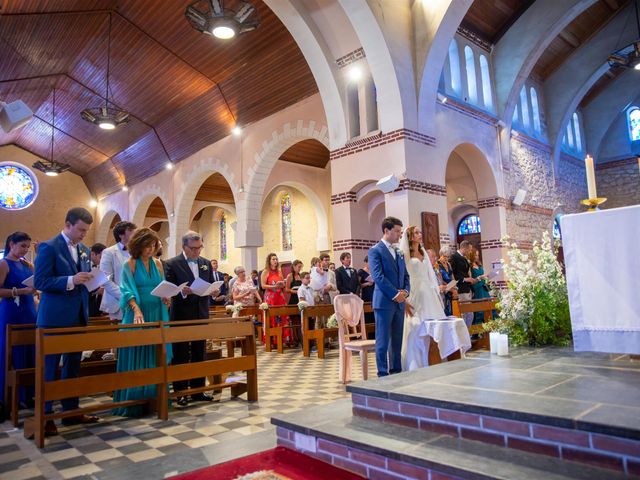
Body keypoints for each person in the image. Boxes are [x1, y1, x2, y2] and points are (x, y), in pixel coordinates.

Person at [34, 207, 98, 435]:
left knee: (73, 367)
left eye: (86, 231)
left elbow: (84, 279)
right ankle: (46, 416)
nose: (83, 234)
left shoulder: (84, 250)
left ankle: (71, 412)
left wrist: (93, 281)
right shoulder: (49, 248)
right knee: (49, 368)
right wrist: (71, 279)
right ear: (68, 224)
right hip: (54, 319)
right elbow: (40, 281)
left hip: (77, 315)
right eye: (80, 229)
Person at [113, 228, 172, 417]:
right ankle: (133, 401)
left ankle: (156, 397)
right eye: (147, 246)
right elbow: (126, 290)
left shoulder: (158, 264)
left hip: (157, 312)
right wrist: (136, 309)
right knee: (137, 352)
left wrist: (166, 297)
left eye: (153, 245)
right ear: (138, 245)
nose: (150, 249)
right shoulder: (129, 264)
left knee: (157, 354)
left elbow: (162, 286)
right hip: (138, 314)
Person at [164, 231, 218, 406]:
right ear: (184, 246)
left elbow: (209, 283)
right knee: (180, 354)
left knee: (199, 352)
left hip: (201, 313)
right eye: (193, 248)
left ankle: (198, 391)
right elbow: (169, 289)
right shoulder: (172, 264)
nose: (197, 252)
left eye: (199, 248)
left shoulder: (205, 263)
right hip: (181, 314)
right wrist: (182, 291)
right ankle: (180, 392)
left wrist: (213, 291)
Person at [368, 217, 411, 377]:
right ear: (387, 230)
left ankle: (396, 371)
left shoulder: (398, 252)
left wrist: (406, 292)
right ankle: (383, 374)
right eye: (397, 231)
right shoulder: (375, 251)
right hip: (384, 302)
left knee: (397, 339)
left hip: (399, 302)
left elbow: (406, 275)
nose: (400, 235)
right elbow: (378, 277)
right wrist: (395, 294)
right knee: (383, 340)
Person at [398, 227, 446, 371]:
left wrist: (436, 289)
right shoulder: (405, 253)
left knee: (434, 325)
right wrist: (404, 295)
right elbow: (403, 275)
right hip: (414, 290)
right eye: (417, 233)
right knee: (416, 326)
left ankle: (434, 359)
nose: (420, 235)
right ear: (410, 236)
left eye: (420, 232)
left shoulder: (423, 251)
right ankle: (415, 363)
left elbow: (430, 273)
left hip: (428, 292)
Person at [0, 232, 36, 408]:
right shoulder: (4, 264)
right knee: (12, 351)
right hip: (12, 312)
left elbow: (36, 283)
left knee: (30, 350)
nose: (25, 249)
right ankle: (11, 396)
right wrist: (19, 291)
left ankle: (27, 394)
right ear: (11, 244)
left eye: (27, 247)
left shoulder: (27, 264)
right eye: (22, 246)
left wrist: (35, 288)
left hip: (29, 311)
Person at [100, 221, 136, 323]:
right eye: (131, 231)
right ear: (121, 235)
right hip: (118, 303)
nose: (135, 233)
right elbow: (105, 280)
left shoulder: (137, 253)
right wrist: (126, 296)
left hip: (137, 301)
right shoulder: (109, 252)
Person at [260, 253, 292, 347]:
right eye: (273, 259)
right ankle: (272, 341)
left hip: (279, 296)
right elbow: (263, 285)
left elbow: (282, 283)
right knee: (272, 318)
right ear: (269, 261)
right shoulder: (265, 272)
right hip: (270, 297)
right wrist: (273, 286)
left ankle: (282, 339)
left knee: (282, 317)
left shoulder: (279, 271)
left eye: (276, 259)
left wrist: (283, 283)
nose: (275, 261)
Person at [451, 240, 477, 327]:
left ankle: (467, 334)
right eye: (469, 250)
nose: (470, 252)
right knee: (465, 314)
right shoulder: (454, 257)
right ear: (464, 248)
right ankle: (464, 335)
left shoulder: (464, 258)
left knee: (470, 314)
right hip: (461, 289)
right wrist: (465, 279)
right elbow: (453, 274)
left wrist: (470, 279)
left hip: (467, 289)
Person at [469, 248, 493, 324]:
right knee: (480, 310)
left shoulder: (479, 264)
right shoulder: (470, 266)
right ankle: (478, 331)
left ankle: (490, 327)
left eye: (478, 255)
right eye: (475, 255)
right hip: (477, 288)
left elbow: (483, 275)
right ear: (472, 255)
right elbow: (471, 279)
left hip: (484, 288)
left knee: (488, 307)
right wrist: (479, 278)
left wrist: (487, 277)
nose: (477, 257)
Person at [310, 254, 333, 329]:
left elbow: (334, 286)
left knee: (327, 316)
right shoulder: (316, 269)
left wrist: (330, 286)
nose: (327, 262)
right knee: (319, 317)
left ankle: (328, 336)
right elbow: (320, 275)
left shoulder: (331, 272)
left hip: (326, 294)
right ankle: (318, 337)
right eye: (325, 260)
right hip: (317, 293)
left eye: (328, 260)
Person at [285, 260, 303, 344]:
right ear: (294, 267)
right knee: (295, 320)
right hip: (293, 299)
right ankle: (295, 338)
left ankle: (301, 337)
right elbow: (287, 289)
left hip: (300, 299)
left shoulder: (300, 276)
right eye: (299, 267)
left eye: (301, 267)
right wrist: (296, 291)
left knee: (301, 319)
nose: (300, 268)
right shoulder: (290, 276)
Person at [358, 256, 375, 335]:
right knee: (368, 315)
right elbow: (358, 285)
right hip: (366, 294)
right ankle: (368, 334)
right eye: (369, 262)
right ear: (365, 262)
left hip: (374, 293)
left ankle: (374, 334)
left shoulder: (374, 271)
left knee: (374, 314)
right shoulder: (361, 272)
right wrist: (368, 283)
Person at [437, 247, 456, 316]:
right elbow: (440, 280)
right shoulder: (437, 265)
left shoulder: (449, 264)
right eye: (444, 256)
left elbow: (452, 277)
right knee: (446, 311)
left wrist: (454, 285)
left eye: (448, 257)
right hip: (444, 290)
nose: (446, 259)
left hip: (451, 289)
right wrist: (449, 287)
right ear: (440, 255)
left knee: (453, 311)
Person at [89, 243, 107, 317]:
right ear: (93, 254)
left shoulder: (101, 267)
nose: (103, 260)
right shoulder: (84, 267)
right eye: (101, 257)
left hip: (99, 308)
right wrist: (96, 292)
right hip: (88, 306)